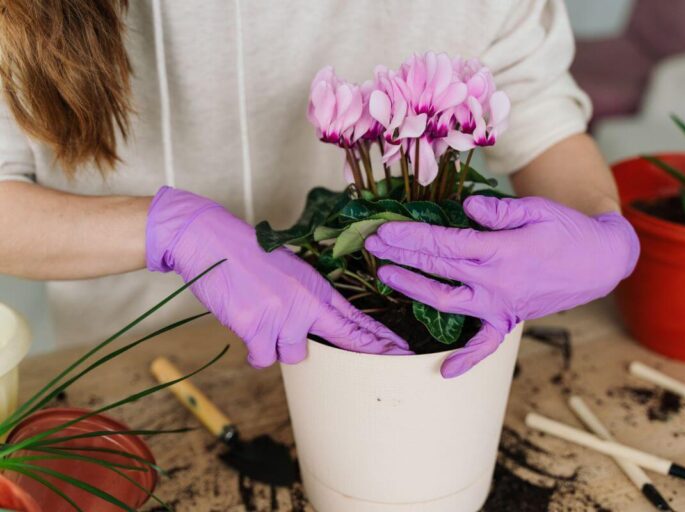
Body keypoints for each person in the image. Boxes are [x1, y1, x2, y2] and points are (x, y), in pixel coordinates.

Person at [0, 0, 638, 377]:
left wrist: (603, 232)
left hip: (366, 367)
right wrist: (170, 231)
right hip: (130, 363)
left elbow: (538, 114)